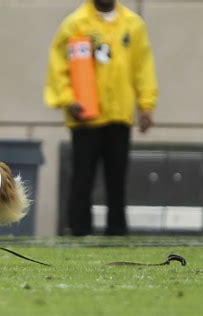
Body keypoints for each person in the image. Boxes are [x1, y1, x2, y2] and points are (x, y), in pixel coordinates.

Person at [43, 0, 158, 236]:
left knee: (117, 178)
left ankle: (117, 231)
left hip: (119, 116)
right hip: (85, 117)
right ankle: (78, 230)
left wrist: (145, 105)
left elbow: (143, 66)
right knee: (82, 177)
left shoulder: (133, 24)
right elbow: (58, 66)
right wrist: (68, 99)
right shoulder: (75, 24)